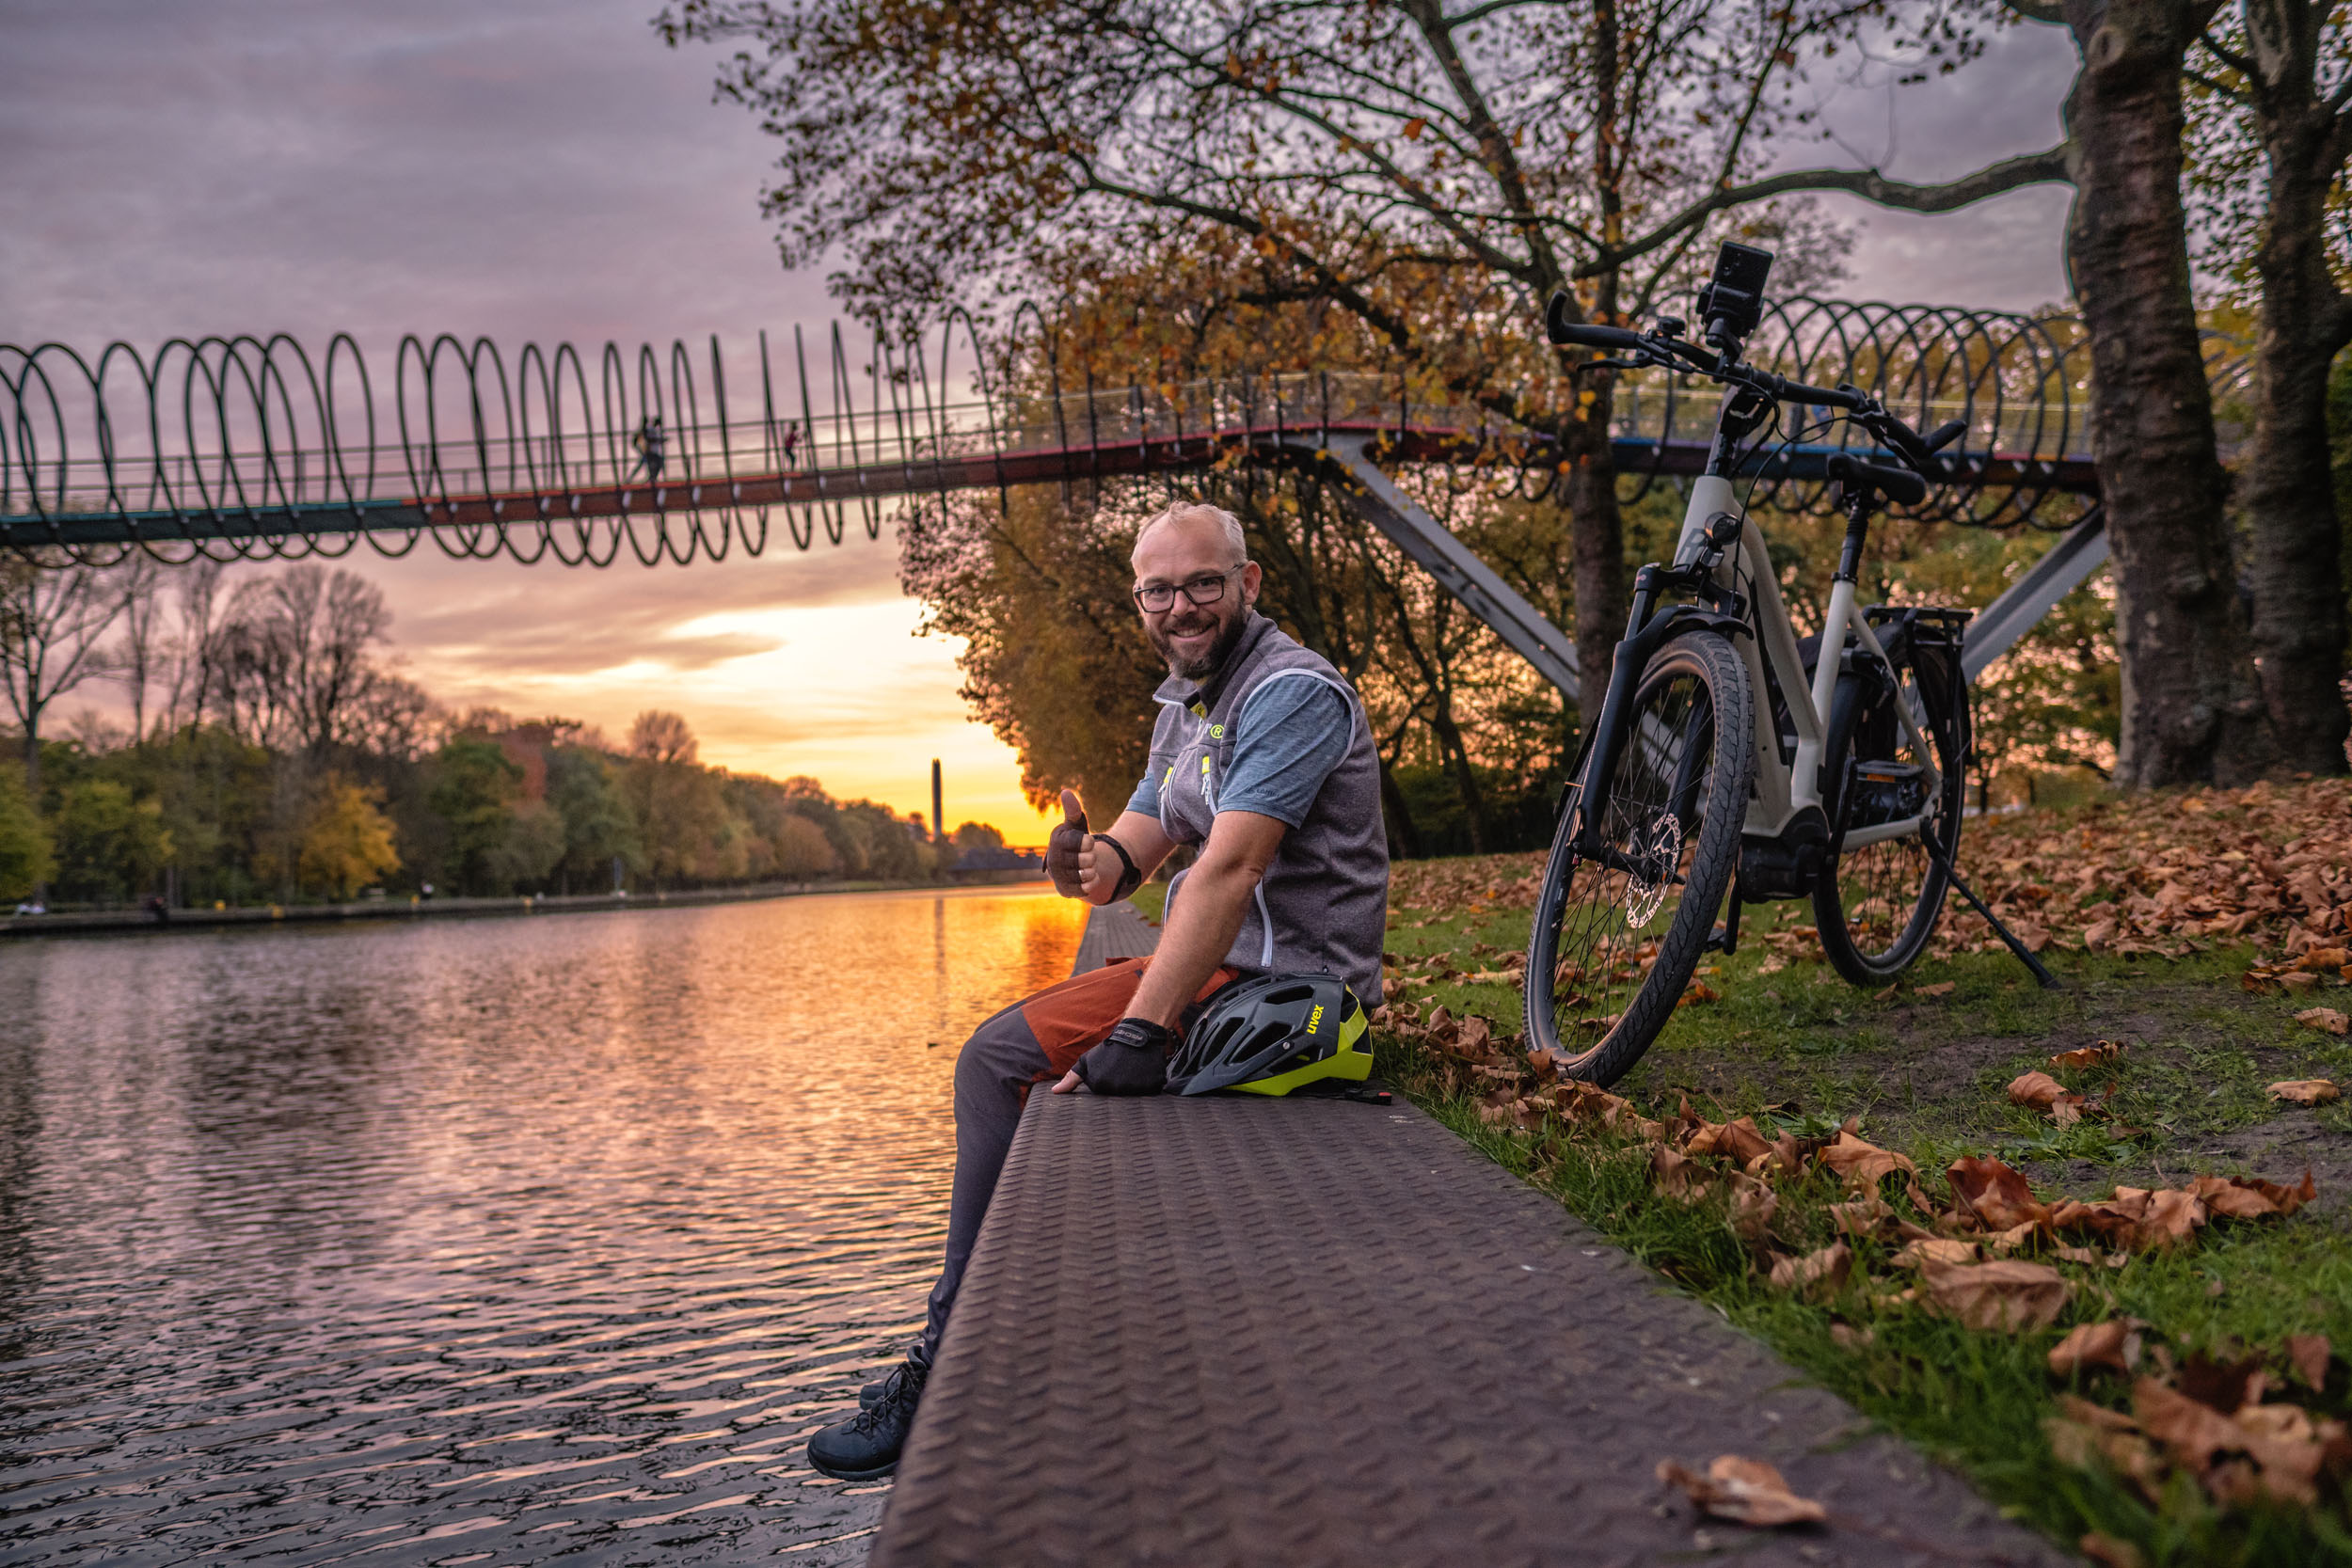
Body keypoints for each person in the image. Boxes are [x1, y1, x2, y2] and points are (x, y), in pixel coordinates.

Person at [805, 500, 1390, 1480]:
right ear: (1139, 601)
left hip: (1287, 995)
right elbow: (1135, 854)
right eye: (1158, 590)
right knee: (1007, 1053)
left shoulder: (1288, 690)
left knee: (995, 1062)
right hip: (1225, 970)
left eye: (1203, 582)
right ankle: (969, 1340)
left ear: (1246, 584)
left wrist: (1138, 1030)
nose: (1181, 605)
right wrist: (1082, 855)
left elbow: (1228, 869)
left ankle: (944, 1358)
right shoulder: (1188, 701)